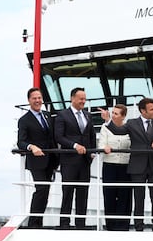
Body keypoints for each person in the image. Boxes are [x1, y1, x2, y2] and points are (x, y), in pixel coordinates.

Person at [17, 87, 59, 228]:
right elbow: (21, 141)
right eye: (34, 98)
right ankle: (33, 223)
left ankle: (38, 222)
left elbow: (52, 137)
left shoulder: (48, 116)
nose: (37, 101)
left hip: (50, 160)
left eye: (39, 98)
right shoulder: (24, 120)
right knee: (41, 189)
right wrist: (31, 147)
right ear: (29, 100)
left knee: (45, 191)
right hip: (36, 161)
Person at [55, 87, 96, 229]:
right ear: (72, 98)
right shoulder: (62, 115)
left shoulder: (88, 115)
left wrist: (91, 153)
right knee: (67, 192)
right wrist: (74, 145)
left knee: (83, 193)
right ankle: (64, 223)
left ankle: (80, 224)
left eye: (84, 99)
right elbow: (59, 137)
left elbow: (91, 135)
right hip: (69, 161)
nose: (83, 101)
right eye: (81, 99)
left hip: (85, 161)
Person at [124, 98, 153, 232]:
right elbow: (118, 131)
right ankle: (139, 228)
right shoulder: (131, 123)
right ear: (143, 111)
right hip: (137, 166)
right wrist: (108, 120)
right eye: (152, 109)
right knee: (138, 198)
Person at [98, 104, 132, 231]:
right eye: (113, 112)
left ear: (123, 116)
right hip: (109, 166)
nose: (113, 115)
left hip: (125, 166)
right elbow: (102, 143)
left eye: (116, 113)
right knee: (110, 195)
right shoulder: (105, 128)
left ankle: (123, 226)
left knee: (125, 196)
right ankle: (111, 226)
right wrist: (104, 148)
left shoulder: (129, 128)